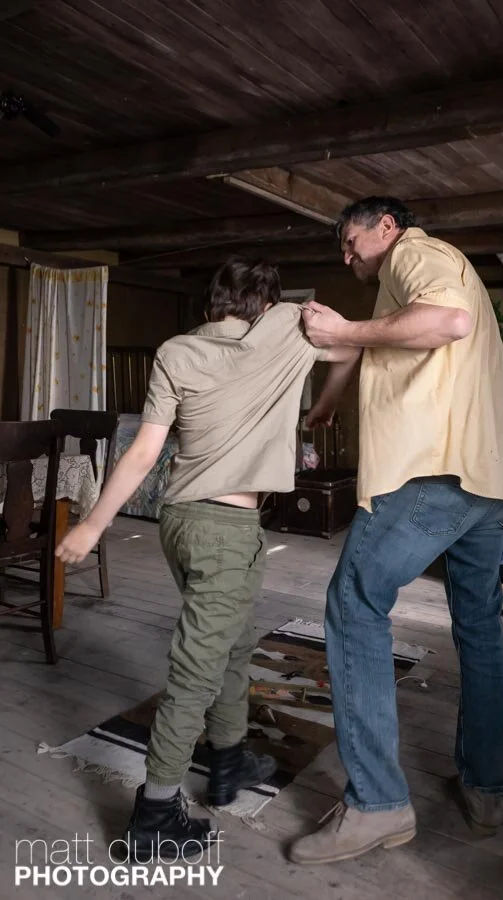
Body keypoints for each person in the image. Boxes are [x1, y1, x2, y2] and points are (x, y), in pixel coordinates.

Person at [55, 256, 360, 863]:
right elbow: (350, 348)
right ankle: (154, 814)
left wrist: (93, 523)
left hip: (180, 521)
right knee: (196, 670)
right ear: (267, 303)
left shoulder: (176, 351)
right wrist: (324, 405)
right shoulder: (289, 329)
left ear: (209, 303)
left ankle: (228, 760)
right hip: (227, 531)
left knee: (235, 644)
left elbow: (145, 451)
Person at [288, 197, 503, 865]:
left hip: (436, 472)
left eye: (352, 241)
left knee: (354, 602)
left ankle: (377, 805)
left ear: (387, 227)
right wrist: (329, 399)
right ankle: (485, 787)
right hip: (489, 474)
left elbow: (447, 322)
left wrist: (343, 329)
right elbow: (379, 339)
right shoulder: (409, 280)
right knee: (478, 622)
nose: (348, 256)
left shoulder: (415, 253)